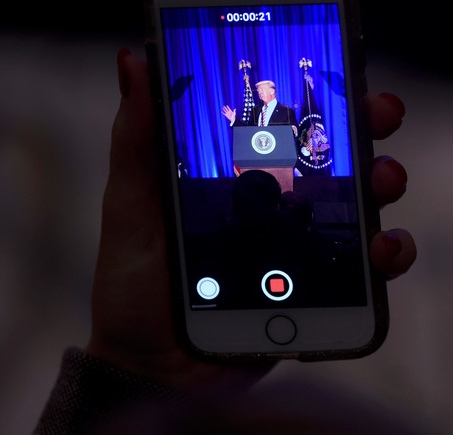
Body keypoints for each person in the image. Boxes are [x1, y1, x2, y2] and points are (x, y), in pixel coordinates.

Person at [33, 48, 418, 434]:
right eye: (262, 90)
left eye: (267, 90)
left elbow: (296, 137)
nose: (264, 94)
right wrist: (130, 366)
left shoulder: (286, 113)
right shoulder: (248, 125)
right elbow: (247, 139)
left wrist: (123, 381)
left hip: (283, 183)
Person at [221, 80, 298, 127]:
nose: (259, 92)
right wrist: (234, 120)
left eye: (262, 89)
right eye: (258, 91)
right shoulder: (255, 110)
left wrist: (294, 130)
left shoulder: (286, 111)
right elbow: (248, 130)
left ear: (272, 91)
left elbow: (294, 132)